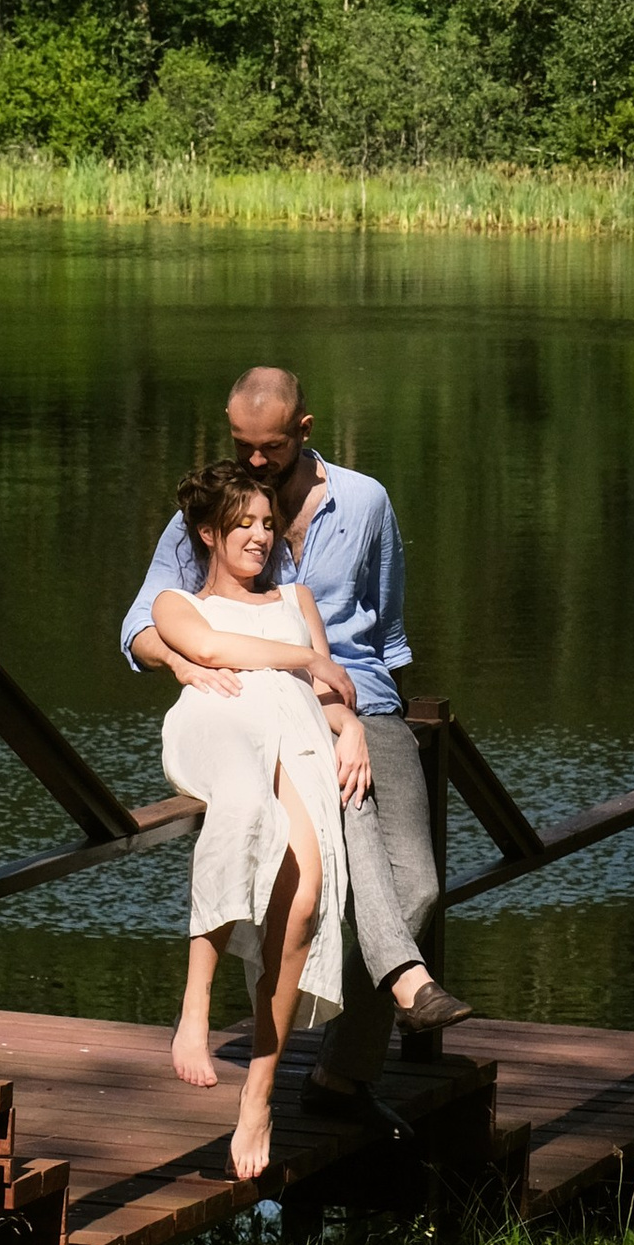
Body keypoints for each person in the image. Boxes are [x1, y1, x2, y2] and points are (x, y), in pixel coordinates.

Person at [123, 361, 471, 1128]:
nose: (254, 459)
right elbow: (143, 625)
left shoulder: (366, 502)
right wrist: (184, 663)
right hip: (266, 709)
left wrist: (364, 720)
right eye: (241, 444)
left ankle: (338, 1071)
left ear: (304, 431)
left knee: (415, 887)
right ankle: (395, 995)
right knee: (333, 850)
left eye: (270, 447)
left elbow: (387, 631)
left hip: (362, 703)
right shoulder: (208, 513)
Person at [152, 460, 364, 1177]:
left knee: (305, 899)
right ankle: (195, 1009)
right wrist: (305, 658)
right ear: (208, 533)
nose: (259, 537)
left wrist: (351, 728)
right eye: (242, 524)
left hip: (293, 731)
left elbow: (328, 691)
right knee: (241, 805)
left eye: (269, 524)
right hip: (222, 719)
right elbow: (212, 651)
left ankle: (260, 1095)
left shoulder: (296, 598)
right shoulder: (177, 605)